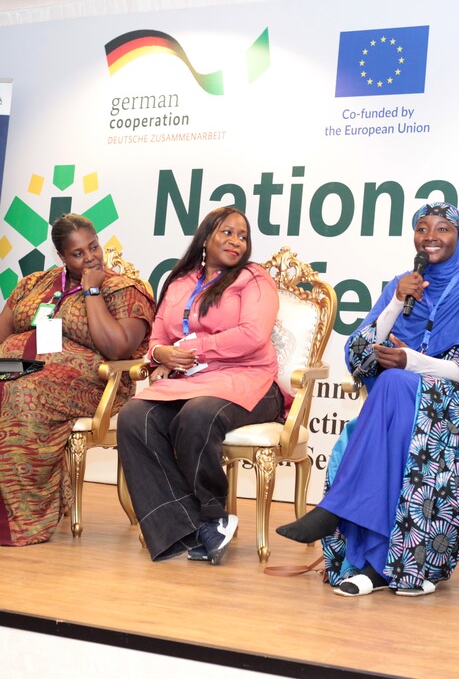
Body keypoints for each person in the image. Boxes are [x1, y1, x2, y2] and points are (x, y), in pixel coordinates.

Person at [277, 202, 459, 596]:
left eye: (443, 228)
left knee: (396, 383)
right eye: (422, 228)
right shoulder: (404, 283)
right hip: (412, 401)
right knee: (395, 394)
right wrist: (396, 303)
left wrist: (413, 362)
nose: (431, 236)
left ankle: (340, 516)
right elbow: (359, 356)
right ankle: (377, 566)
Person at [117, 207, 284, 565]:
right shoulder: (180, 282)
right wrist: (162, 352)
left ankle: (212, 515)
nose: (236, 241)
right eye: (227, 232)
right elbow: (157, 338)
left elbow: (254, 336)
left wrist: (193, 348)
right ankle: (184, 526)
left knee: (197, 415)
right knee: (134, 416)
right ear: (206, 238)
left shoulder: (254, 279)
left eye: (243, 236)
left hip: (249, 379)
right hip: (190, 382)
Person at [0, 213, 155, 546]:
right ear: (62, 257)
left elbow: (117, 348)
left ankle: (20, 517)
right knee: (7, 381)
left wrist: (92, 291)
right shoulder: (35, 284)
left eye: (93, 247)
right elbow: (3, 335)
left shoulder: (123, 289)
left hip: (93, 383)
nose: (90, 257)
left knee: (22, 391)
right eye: (78, 253)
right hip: (23, 369)